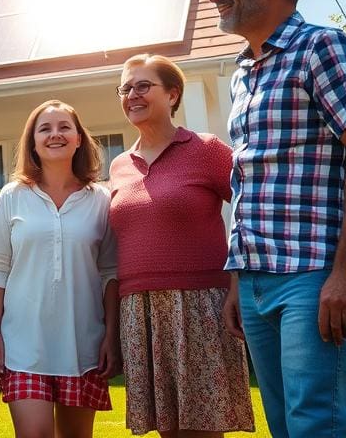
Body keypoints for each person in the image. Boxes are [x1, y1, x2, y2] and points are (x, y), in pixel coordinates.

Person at [211, 0, 346, 438]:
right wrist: (241, 279)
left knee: (316, 427)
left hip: (318, 273)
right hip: (259, 278)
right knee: (285, 427)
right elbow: (252, 177)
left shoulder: (322, 48)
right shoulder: (245, 73)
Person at [108, 53, 253, 437]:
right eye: (125, 88)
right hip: (139, 308)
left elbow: (248, 210)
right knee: (166, 430)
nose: (131, 94)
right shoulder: (119, 165)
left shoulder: (206, 149)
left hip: (200, 304)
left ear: (172, 94)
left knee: (203, 428)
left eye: (143, 85)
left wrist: (238, 281)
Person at [0, 100, 119, 438]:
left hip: (83, 346)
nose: (54, 134)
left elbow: (110, 273)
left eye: (64, 127)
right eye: (45, 128)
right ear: (32, 142)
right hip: (23, 345)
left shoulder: (101, 200)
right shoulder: (12, 196)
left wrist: (111, 336)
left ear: (78, 139)